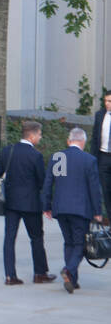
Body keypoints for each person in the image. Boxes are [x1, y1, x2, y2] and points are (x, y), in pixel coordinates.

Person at [41, 127, 104, 294]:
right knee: (80, 244)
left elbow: (48, 183)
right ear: (83, 141)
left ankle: (72, 281)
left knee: (68, 242)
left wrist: (46, 206)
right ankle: (69, 270)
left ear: (69, 141)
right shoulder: (88, 160)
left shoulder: (57, 157)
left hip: (60, 208)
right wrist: (98, 211)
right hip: (80, 209)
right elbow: (94, 188)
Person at [0, 120, 54, 285]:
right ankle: (40, 273)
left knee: (9, 238)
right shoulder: (35, 155)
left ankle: (10, 275)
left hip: (11, 202)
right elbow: (41, 181)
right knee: (36, 238)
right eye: (39, 135)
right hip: (30, 203)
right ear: (32, 135)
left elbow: (0, 172)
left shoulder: (8, 150)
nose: (40, 138)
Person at [94, 91, 111, 221]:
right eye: (105, 101)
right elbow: (95, 138)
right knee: (105, 191)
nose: (107, 104)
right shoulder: (100, 115)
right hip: (103, 156)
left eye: (109, 101)